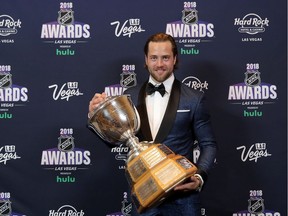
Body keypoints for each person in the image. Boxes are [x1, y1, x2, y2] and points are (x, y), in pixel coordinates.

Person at [88, 33, 217, 216]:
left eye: (165, 58)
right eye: (154, 58)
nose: (159, 64)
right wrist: (96, 116)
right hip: (145, 197)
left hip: (182, 198)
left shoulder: (194, 99)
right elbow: (116, 141)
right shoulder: (128, 96)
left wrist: (199, 176)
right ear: (146, 60)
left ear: (175, 59)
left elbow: (209, 144)